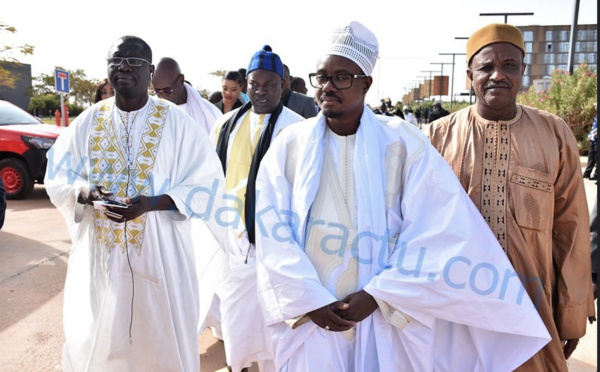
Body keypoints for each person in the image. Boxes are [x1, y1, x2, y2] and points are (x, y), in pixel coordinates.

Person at [255, 20, 550, 371]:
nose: (328, 87)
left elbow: (439, 229)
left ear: (366, 83)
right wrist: (308, 299)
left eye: (342, 77)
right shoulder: (289, 145)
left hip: (384, 318)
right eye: (322, 78)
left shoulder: (403, 143)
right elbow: (272, 232)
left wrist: (380, 294)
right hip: (312, 319)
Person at [44, 35, 228, 372]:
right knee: (102, 335)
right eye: (116, 60)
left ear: (151, 70)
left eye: (134, 61)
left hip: (161, 258)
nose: (124, 67)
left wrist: (153, 203)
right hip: (103, 258)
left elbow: (208, 184)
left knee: (159, 341)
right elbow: (58, 176)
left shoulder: (177, 123)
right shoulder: (88, 121)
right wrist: (86, 193)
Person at [427, 23, 595, 372]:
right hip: (456, 306)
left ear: (522, 71)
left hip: (531, 303)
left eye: (509, 66)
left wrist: (572, 311)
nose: (497, 76)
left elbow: (571, 227)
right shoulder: (436, 137)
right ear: (469, 74)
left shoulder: (554, 133)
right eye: (486, 67)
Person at [211, 45, 304, 372]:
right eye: (255, 85)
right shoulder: (226, 125)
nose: (261, 91)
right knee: (237, 321)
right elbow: (212, 176)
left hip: (279, 242)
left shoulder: (298, 129)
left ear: (283, 85)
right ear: (246, 85)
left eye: (269, 85)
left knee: (276, 322)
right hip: (233, 239)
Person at [152, 57, 222, 135]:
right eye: (157, 91)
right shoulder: (151, 113)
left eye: (167, 91)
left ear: (181, 80)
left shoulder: (211, 114)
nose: (162, 96)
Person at [583, 111, 597, 180]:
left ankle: (596, 175)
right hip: (593, 140)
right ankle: (587, 173)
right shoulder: (596, 116)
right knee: (591, 158)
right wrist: (589, 135)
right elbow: (593, 127)